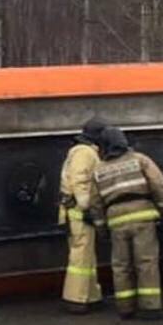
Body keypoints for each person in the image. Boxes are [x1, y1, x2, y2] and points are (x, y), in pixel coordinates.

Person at [91, 127, 163, 319]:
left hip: (116, 221)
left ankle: (125, 308)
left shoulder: (99, 170)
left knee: (121, 266)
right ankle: (150, 307)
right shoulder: (140, 160)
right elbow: (159, 186)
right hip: (142, 216)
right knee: (146, 262)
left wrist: (102, 229)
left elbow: (95, 204)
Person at [58, 117, 106, 313]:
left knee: (87, 257)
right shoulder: (85, 153)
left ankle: (91, 296)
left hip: (74, 212)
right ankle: (75, 299)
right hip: (79, 213)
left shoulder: (79, 151)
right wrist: (86, 206)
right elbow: (80, 181)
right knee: (80, 257)